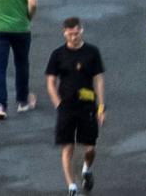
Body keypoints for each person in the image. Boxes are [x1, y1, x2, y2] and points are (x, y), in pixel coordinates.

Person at [45, 17, 104, 196]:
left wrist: (101, 106)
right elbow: (50, 81)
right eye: (70, 34)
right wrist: (58, 104)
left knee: (90, 147)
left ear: (81, 31)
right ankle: (71, 185)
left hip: (87, 106)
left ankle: (86, 168)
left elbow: (99, 79)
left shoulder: (92, 52)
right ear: (64, 33)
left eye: (76, 33)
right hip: (67, 107)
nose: (74, 37)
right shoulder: (57, 55)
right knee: (67, 147)